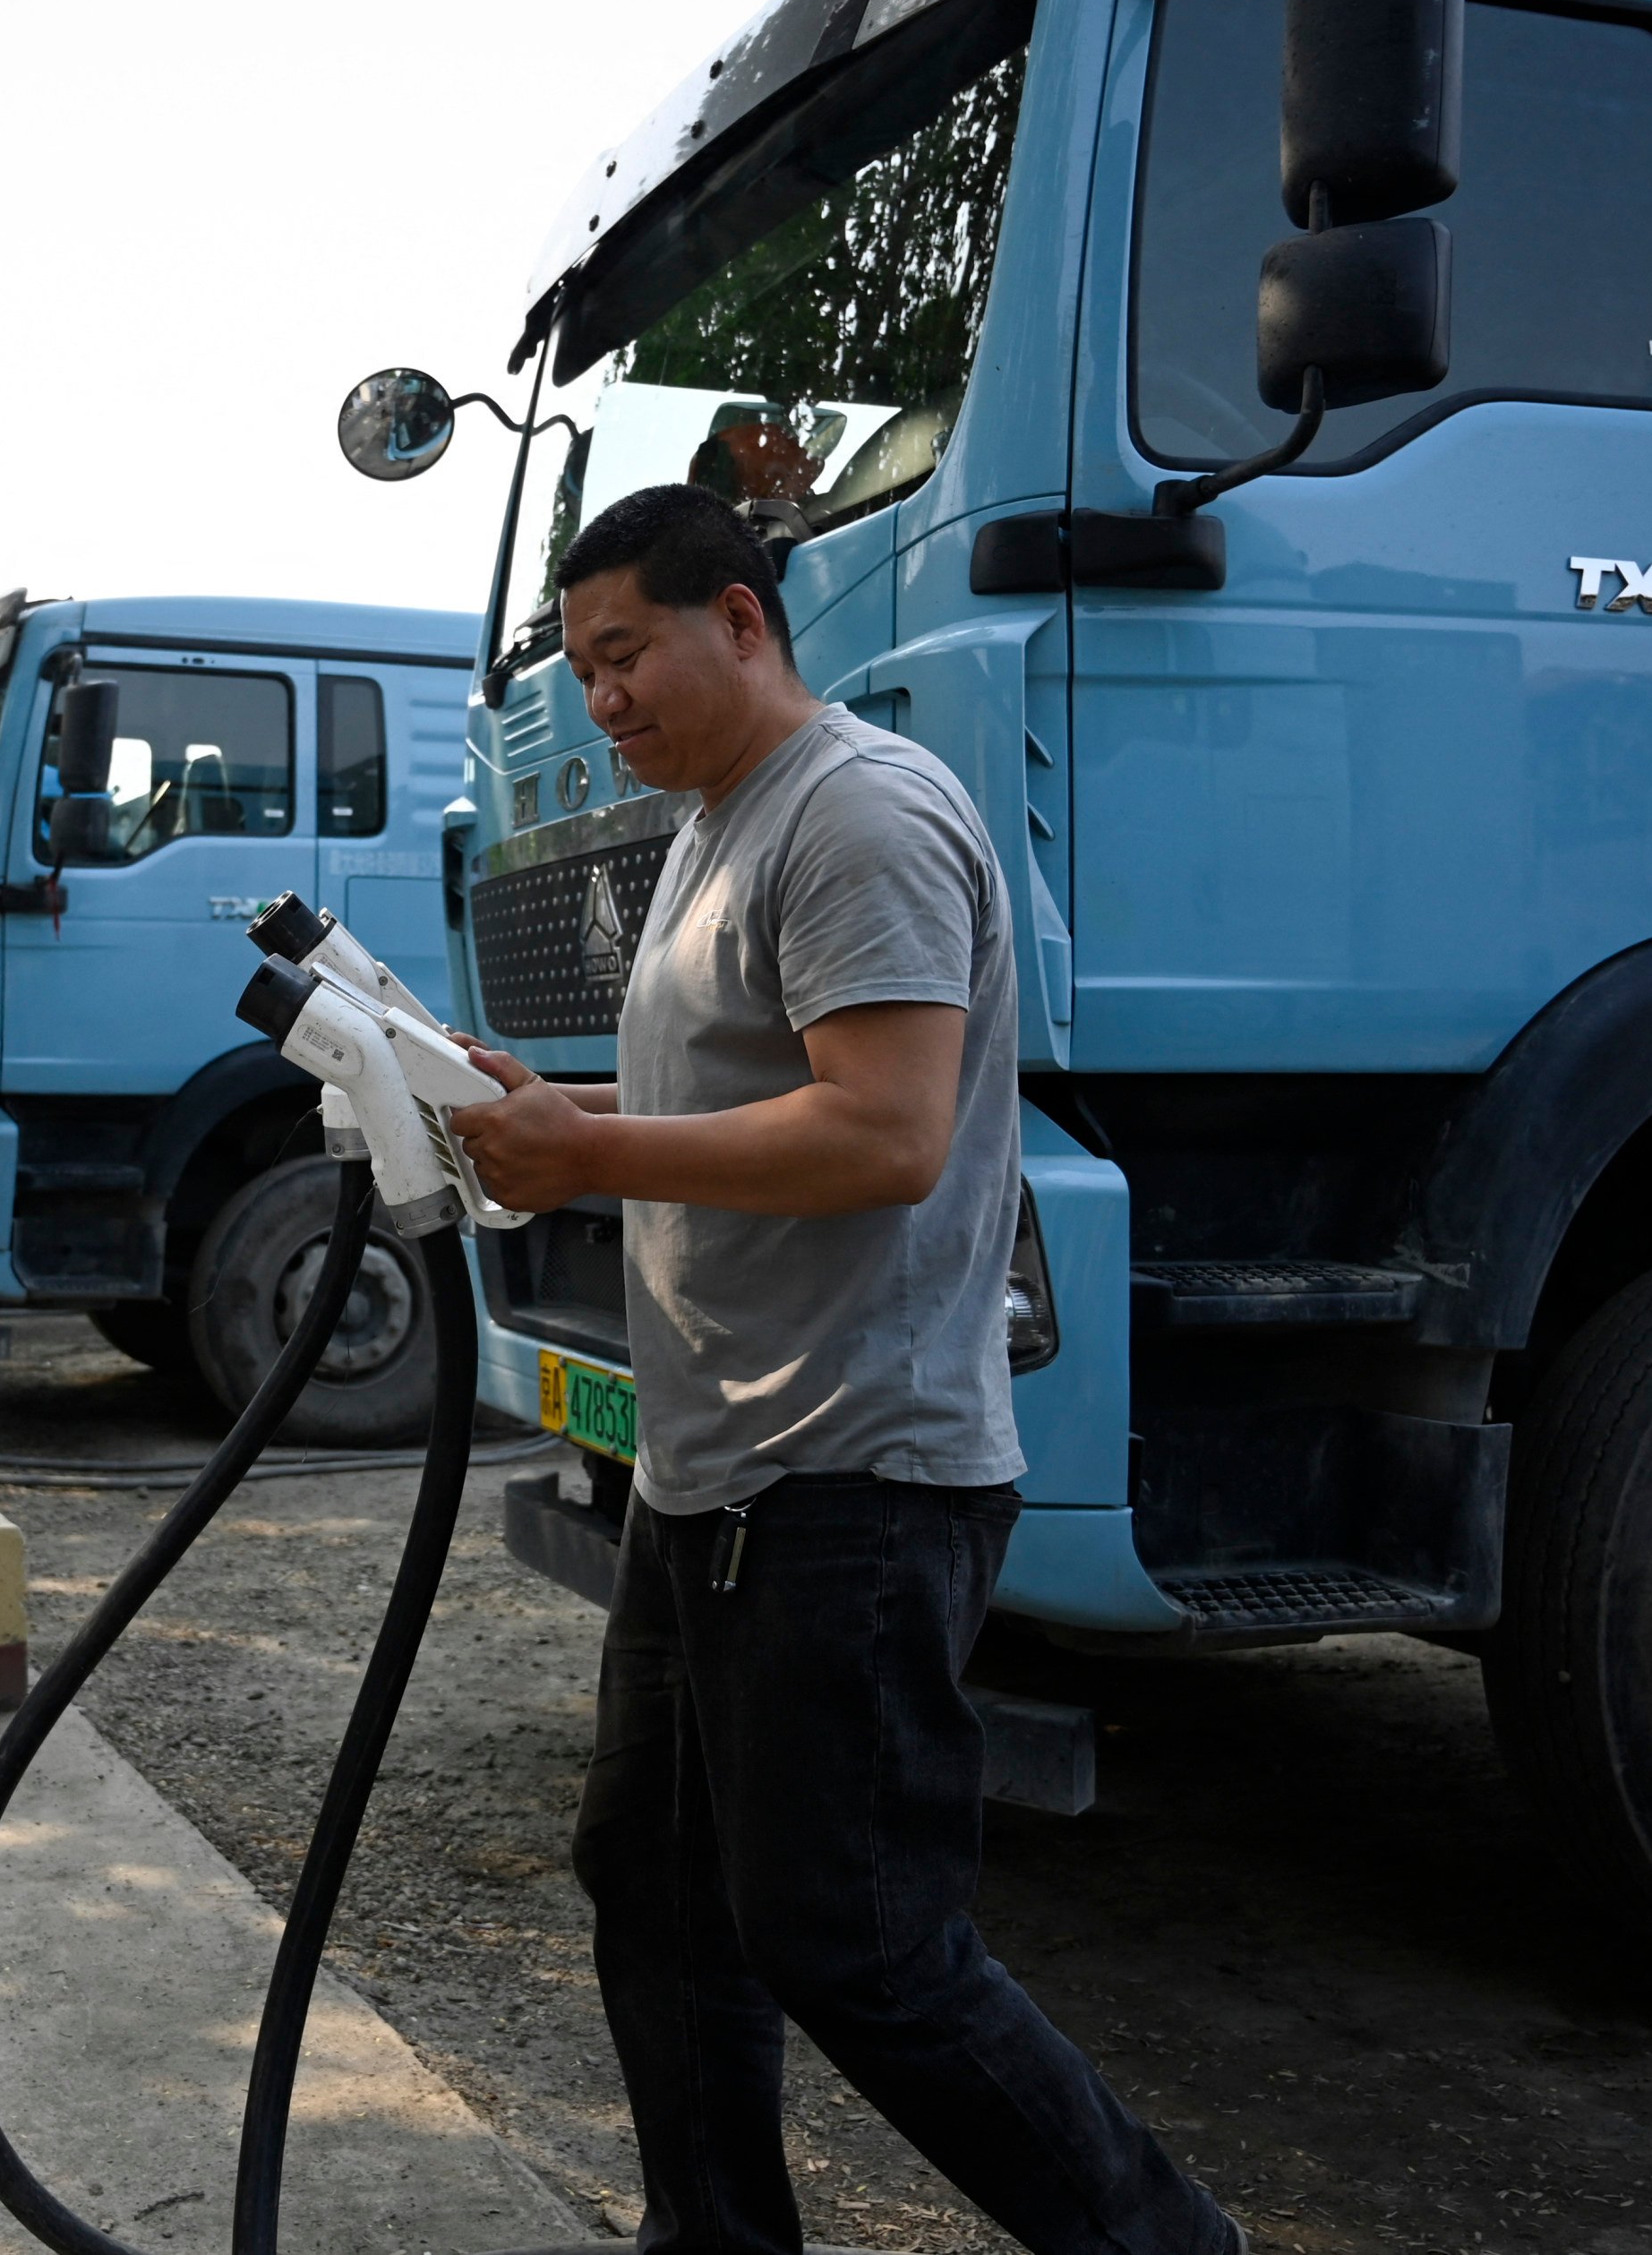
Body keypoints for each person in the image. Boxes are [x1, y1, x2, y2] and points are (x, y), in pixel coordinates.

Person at [446, 484, 1241, 2255]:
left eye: (623, 654)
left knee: (859, 1941)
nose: (603, 704)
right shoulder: (717, 825)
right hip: (715, 1471)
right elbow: (716, 1105)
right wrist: (537, 1108)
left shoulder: (859, 813)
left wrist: (586, 1159)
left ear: (740, 619)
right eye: (580, 672)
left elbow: (882, 1133)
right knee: (652, 1890)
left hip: (849, 1484)